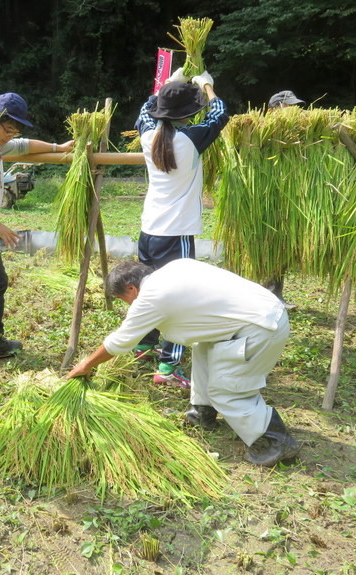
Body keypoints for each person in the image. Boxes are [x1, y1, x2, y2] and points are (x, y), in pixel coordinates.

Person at [66, 259, 301, 467]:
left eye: (123, 299)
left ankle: (278, 441)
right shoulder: (175, 268)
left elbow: (120, 342)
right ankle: (202, 412)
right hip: (256, 314)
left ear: (131, 288)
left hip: (260, 326)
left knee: (228, 390)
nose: (128, 305)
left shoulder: (151, 296)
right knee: (204, 350)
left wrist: (87, 365)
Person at [0, 92, 73, 360]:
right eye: (7, 130)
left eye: (14, 132)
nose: (10, 136)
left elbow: (24, 146)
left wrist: (58, 147)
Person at [133, 69, 230, 388]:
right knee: (181, 297)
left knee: (148, 290)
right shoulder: (191, 139)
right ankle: (168, 366)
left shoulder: (147, 134)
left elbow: (144, 110)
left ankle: (143, 346)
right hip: (176, 235)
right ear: (186, 115)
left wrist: (165, 84)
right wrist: (207, 85)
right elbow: (220, 113)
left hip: (148, 231)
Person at [265, 90, 305, 310]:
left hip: (287, 195)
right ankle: (264, 295)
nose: (293, 110)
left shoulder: (295, 132)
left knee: (281, 246)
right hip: (264, 195)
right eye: (288, 106)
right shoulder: (260, 130)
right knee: (265, 244)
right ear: (274, 109)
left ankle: (274, 294)